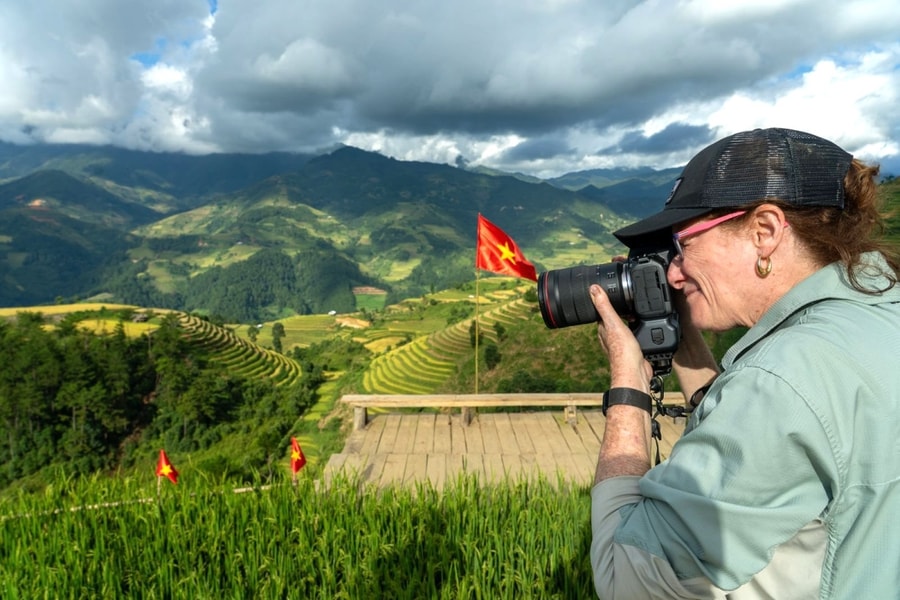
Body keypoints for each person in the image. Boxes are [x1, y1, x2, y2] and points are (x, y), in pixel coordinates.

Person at [587, 128, 900, 598]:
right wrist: (682, 338)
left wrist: (627, 387)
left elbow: (627, 579)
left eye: (682, 244)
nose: (673, 271)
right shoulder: (877, 316)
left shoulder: (781, 378)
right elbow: (790, 441)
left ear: (765, 232)